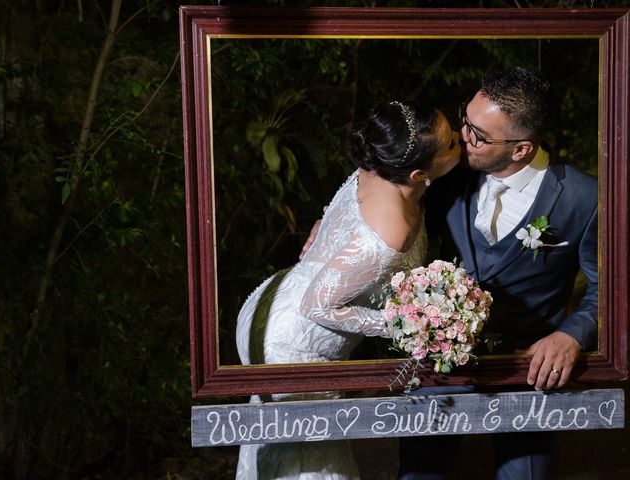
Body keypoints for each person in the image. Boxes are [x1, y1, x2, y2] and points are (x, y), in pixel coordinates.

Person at [234, 100, 460, 480]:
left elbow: (341, 213)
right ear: (421, 173)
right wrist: (406, 325)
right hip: (292, 346)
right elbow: (317, 306)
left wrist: (322, 228)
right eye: (452, 142)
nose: (459, 138)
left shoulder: (377, 164)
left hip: (271, 300)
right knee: (312, 463)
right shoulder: (387, 235)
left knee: (275, 448)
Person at [397, 67, 598, 480]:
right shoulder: (449, 173)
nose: (461, 136)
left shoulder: (585, 198)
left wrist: (571, 334)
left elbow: (610, 289)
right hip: (442, 369)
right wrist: (341, 220)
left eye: (478, 134)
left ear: (521, 149)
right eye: (464, 120)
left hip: (525, 372)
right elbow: (389, 190)